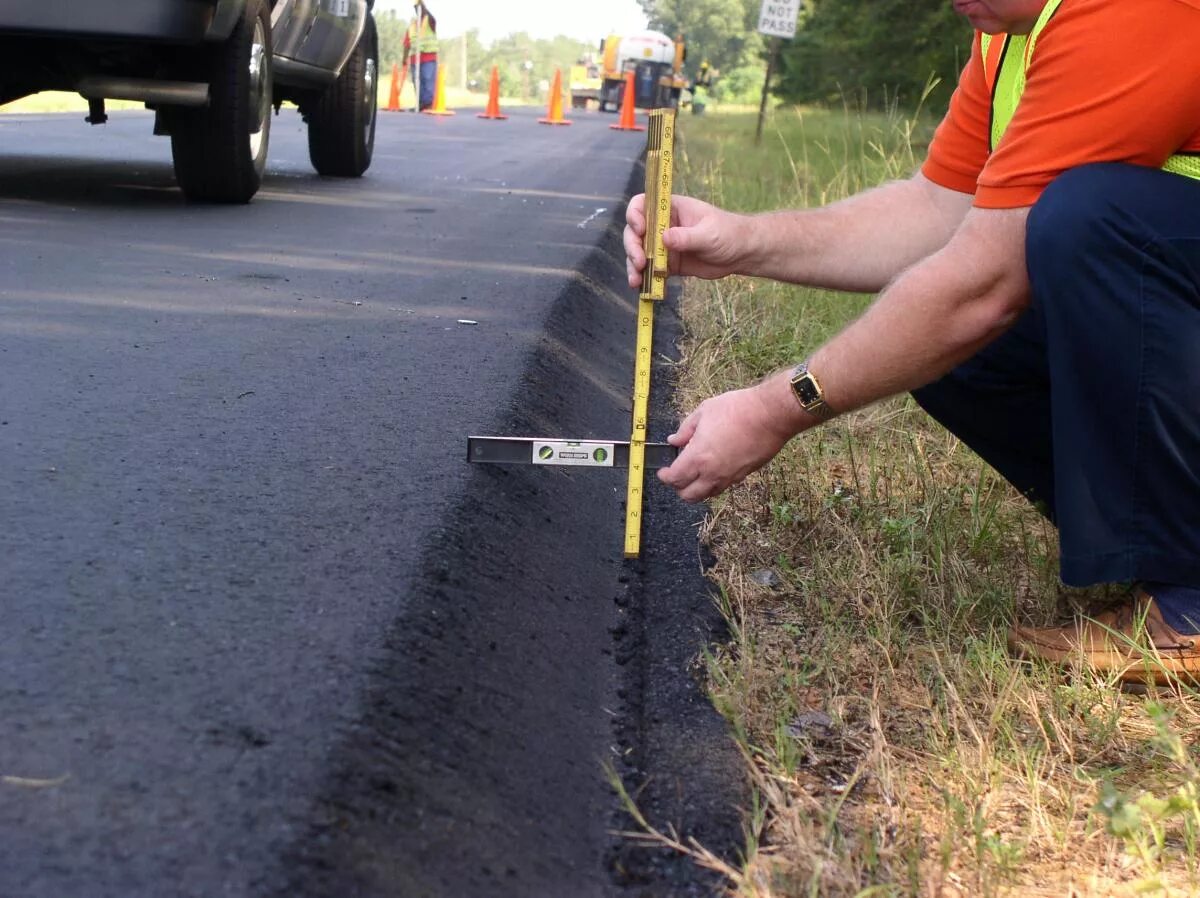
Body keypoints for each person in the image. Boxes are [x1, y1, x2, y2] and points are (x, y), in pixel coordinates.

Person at [624, 0, 1200, 685]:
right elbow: (936, 212)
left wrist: (772, 409)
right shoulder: (1007, 38)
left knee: (1082, 224)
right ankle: (1161, 543)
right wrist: (741, 241)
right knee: (943, 344)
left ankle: (1191, 601)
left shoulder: (1130, 10)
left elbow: (982, 284)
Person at [403, 2, 438, 111]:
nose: (418, 9)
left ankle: (428, 104)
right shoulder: (412, 25)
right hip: (415, 59)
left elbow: (433, 20)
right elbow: (407, 44)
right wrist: (404, 58)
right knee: (417, 81)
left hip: (428, 57)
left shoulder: (429, 20)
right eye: (416, 7)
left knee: (427, 80)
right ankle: (420, 104)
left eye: (419, 7)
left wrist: (423, 6)